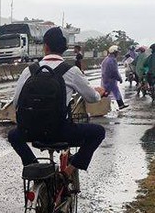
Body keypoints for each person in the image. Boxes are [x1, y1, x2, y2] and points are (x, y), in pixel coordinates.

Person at [8, 26, 106, 188]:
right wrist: (99, 93)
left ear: (45, 46)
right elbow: (91, 97)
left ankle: (34, 167)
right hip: (60, 131)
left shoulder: (29, 71)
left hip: (30, 131)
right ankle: (68, 171)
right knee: (98, 133)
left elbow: (17, 102)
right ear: (63, 48)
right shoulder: (71, 71)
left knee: (13, 136)